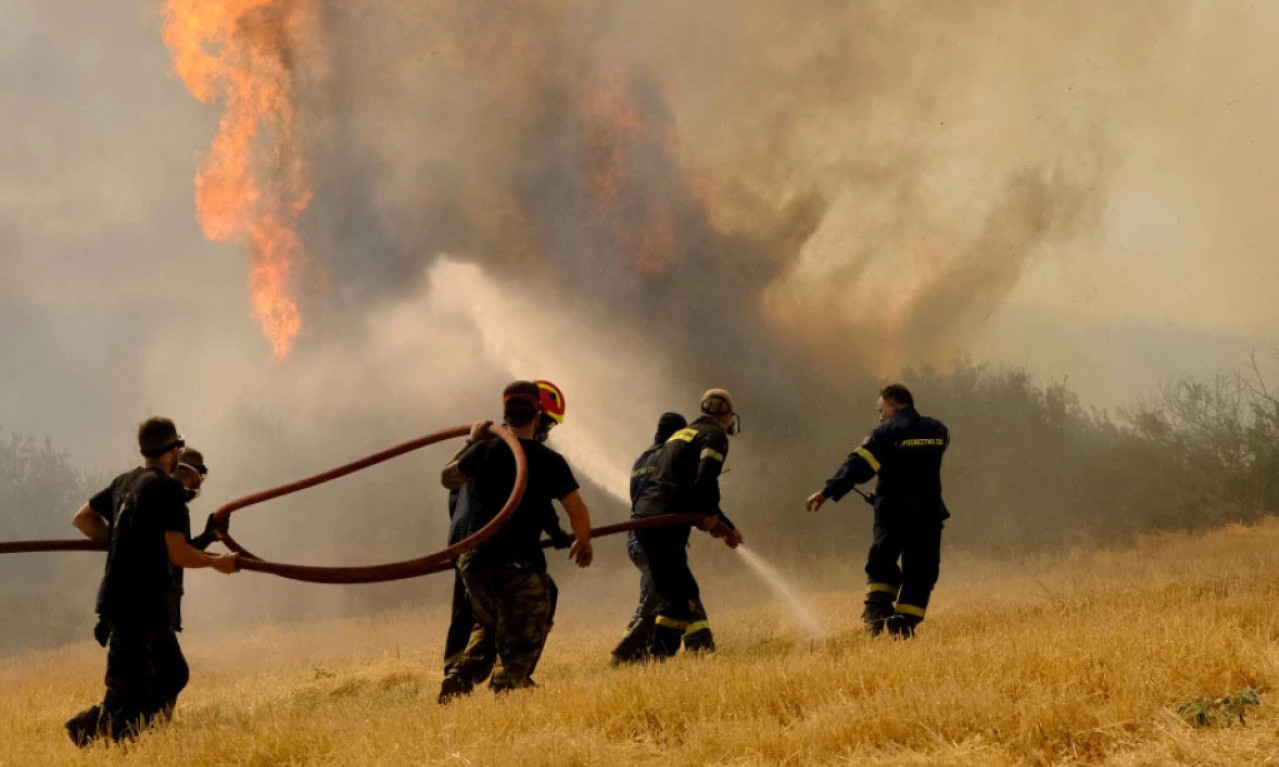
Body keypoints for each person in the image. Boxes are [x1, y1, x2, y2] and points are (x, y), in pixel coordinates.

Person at [64, 418, 240, 746]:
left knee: (163, 676)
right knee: (143, 685)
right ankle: (100, 734)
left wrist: (121, 539)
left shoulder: (124, 482)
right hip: (143, 604)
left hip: (120, 601)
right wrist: (221, 564)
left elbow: (83, 519)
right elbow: (177, 552)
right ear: (175, 452)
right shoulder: (167, 489)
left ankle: (134, 738)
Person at [437, 381, 592, 702]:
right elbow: (575, 506)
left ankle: (462, 672)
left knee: (489, 619)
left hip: (473, 561)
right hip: (515, 561)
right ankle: (510, 682)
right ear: (538, 417)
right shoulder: (548, 460)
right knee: (535, 607)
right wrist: (583, 541)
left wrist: (471, 441)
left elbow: (447, 478)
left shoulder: (483, 450)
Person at [805, 383, 950, 639]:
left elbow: (857, 466)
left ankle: (876, 616)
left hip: (893, 515)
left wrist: (827, 491)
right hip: (927, 516)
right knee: (921, 572)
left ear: (893, 405)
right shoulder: (938, 430)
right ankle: (903, 625)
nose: (880, 416)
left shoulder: (884, 433)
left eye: (881, 410)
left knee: (882, 564)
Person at [629, 389, 744, 660]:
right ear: (728, 415)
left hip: (646, 522)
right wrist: (711, 516)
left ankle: (650, 651)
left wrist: (719, 521)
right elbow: (706, 480)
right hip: (667, 524)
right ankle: (652, 655)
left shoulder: (682, 434)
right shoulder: (714, 436)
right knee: (683, 599)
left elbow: (682, 486)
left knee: (677, 593)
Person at [611, 411, 718, 664]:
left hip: (637, 537)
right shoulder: (670, 457)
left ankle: (699, 644)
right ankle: (630, 654)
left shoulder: (641, 459)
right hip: (658, 538)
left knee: (677, 590)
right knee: (657, 595)